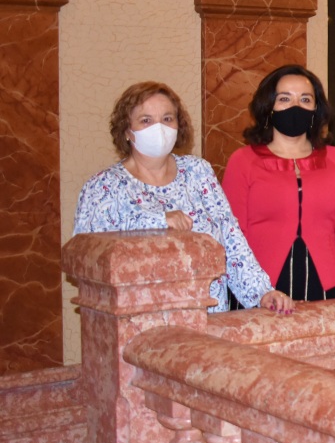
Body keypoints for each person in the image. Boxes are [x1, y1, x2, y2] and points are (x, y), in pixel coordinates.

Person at [74, 81, 292, 314]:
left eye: (168, 119)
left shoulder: (198, 172)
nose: (159, 128)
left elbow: (230, 239)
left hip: (208, 318)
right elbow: (86, 260)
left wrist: (262, 292)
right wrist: (156, 222)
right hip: (140, 325)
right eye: (146, 120)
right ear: (127, 131)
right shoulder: (103, 187)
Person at [223, 64, 335, 303]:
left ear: (316, 109)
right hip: (262, 290)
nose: (295, 106)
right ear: (268, 107)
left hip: (327, 287)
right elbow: (233, 237)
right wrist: (256, 291)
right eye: (284, 99)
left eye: (305, 99)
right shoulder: (243, 161)